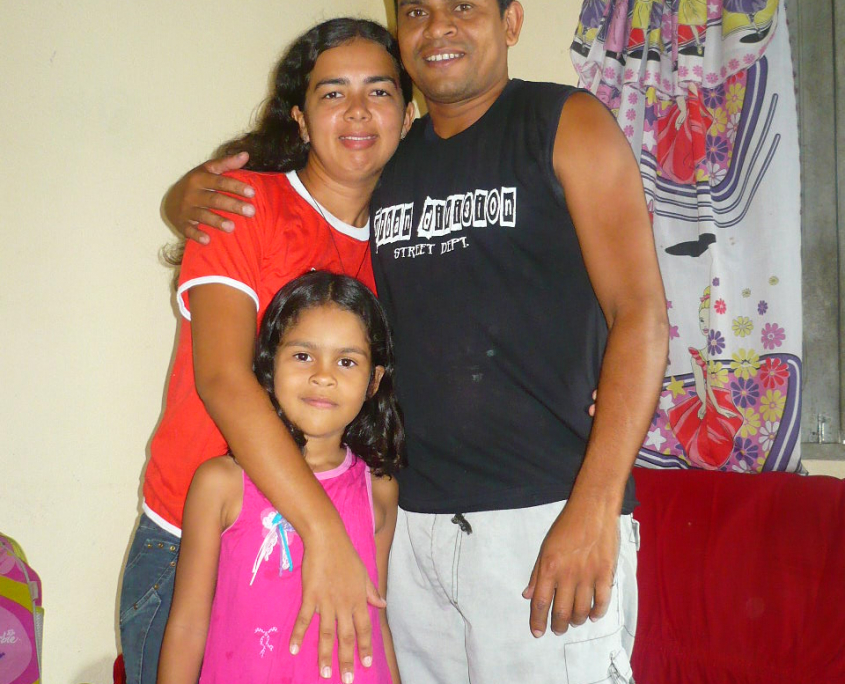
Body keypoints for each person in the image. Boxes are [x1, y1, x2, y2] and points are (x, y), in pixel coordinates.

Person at [163, 1, 670, 681]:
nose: (438, 27)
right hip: (407, 527)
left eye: (463, 6)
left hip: (543, 516)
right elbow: (299, 185)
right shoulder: (389, 166)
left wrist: (595, 505)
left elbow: (640, 312)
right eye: (417, 11)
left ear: (511, 21)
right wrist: (183, 196)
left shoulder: (563, 123)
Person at [119, 18, 414, 684]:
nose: (358, 110)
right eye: (332, 93)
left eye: (379, 91)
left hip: (336, 541)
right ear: (300, 118)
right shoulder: (245, 204)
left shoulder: (401, 242)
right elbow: (224, 379)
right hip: (198, 542)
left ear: (406, 114)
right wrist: (324, 531)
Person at [158, 271, 404, 684]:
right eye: (303, 356)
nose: (323, 376)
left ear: (373, 381)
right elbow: (187, 626)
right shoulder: (221, 485)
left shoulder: (379, 489)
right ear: (270, 363)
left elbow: (376, 619)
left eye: (346, 361)